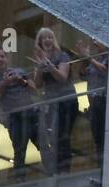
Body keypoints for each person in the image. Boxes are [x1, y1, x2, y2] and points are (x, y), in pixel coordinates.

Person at [0, 46, 39, 180]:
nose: (0, 59)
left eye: (2, 56)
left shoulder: (20, 71)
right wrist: (3, 83)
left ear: (7, 58)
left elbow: (35, 89)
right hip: (13, 117)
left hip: (30, 112)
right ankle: (20, 179)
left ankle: (53, 172)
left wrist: (21, 81)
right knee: (19, 150)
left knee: (42, 143)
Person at [33, 27, 77, 175]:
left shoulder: (62, 55)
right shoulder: (40, 59)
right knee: (50, 136)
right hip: (50, 102)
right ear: (40, 42)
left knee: (62, 135)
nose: (47, 40)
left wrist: (49, 66)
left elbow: (62, 77)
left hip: (65, 100)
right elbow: (38, 84)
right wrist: (40, 67)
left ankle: (64, 169)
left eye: (50, 37)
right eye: (44, 38)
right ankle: (54, 168)